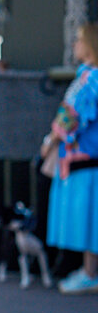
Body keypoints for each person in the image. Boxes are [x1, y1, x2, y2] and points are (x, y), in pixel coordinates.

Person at [42, 22, 98, 294]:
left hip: (85, 160)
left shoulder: (91, 78)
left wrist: (49, 141)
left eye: (78, 39)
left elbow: (70, 118)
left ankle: (90, 273)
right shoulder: (87, 75)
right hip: (86, 159)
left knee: (89, 218)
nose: (74, 44)